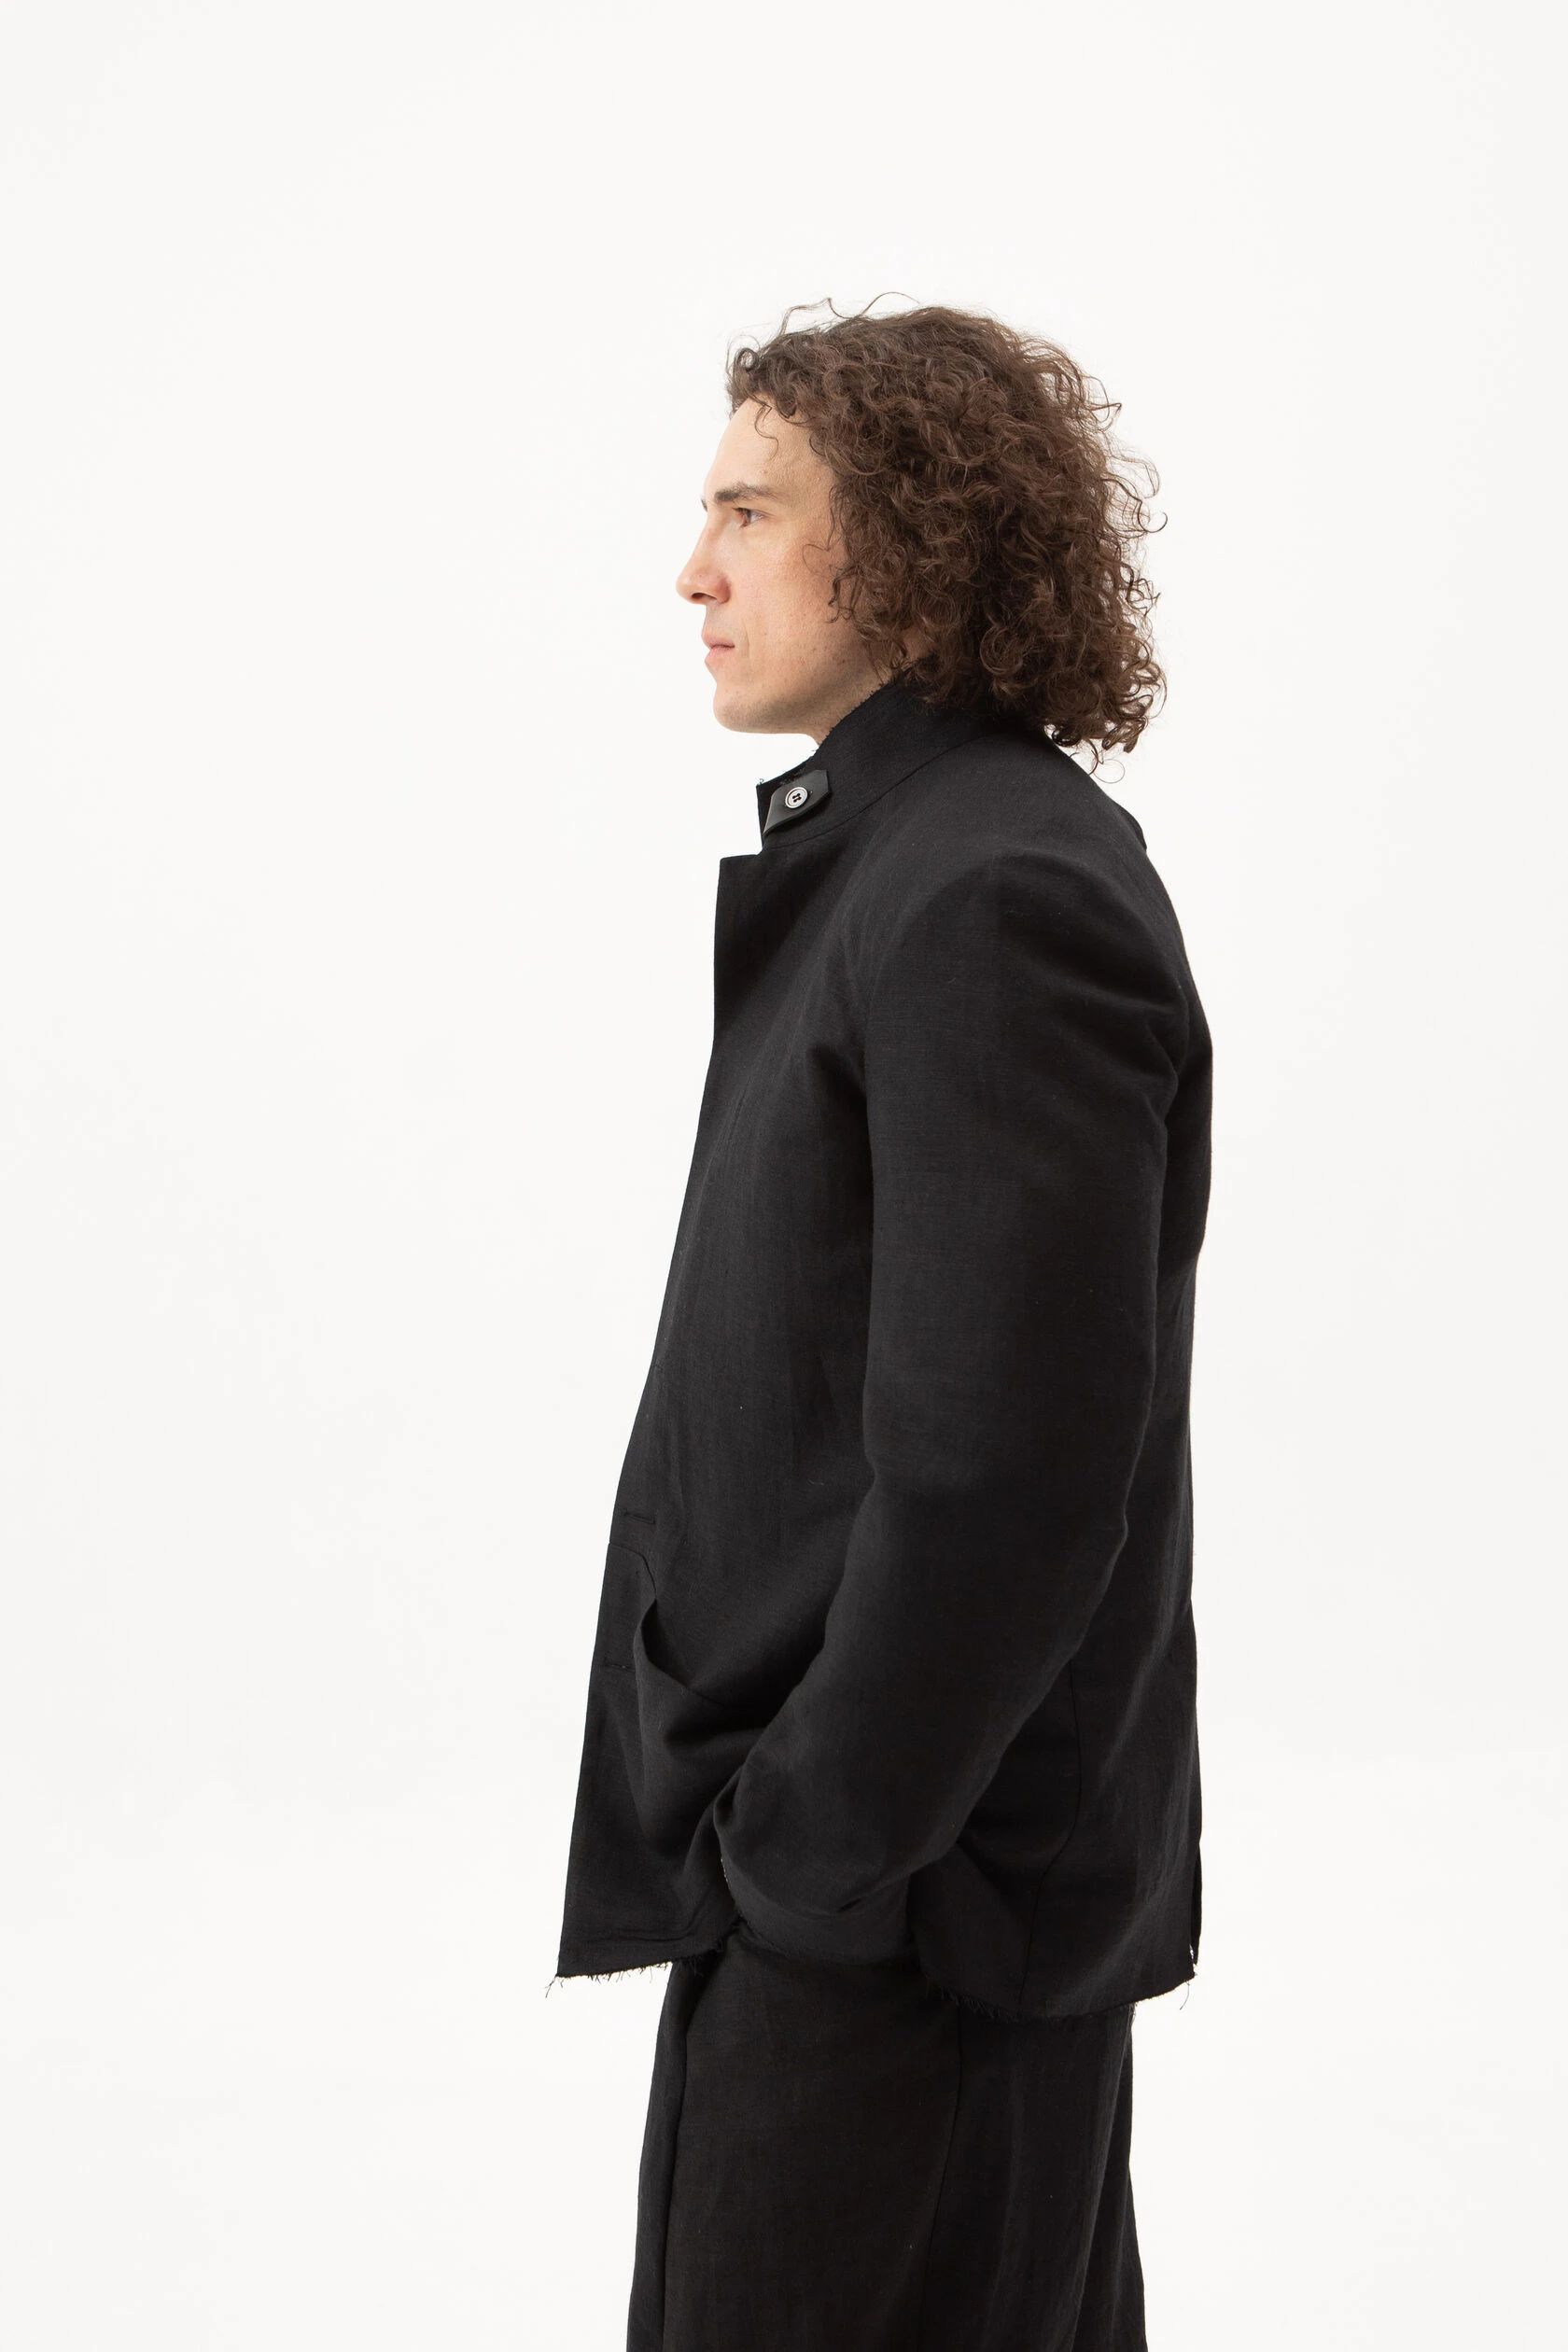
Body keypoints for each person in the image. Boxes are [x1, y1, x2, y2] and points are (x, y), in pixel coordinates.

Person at [554, 302, 1212, 2352]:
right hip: (870, 1906)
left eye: (751, 512)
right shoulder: (907, 865)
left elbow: (1008, 1473)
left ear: (913, 549)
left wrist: (814, 1864)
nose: (695, 570)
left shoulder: (994, 890)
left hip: (913, 1933)